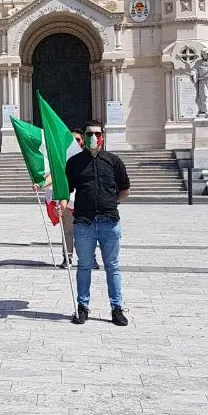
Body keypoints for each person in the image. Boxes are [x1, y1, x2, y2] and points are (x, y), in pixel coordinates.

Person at [64, 119, 130, 327]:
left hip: (109, 221)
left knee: (112, 266)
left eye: (97, 134)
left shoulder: (114, 161)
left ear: (103, 136)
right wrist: (61, 204)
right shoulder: (74, 163)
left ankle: (117, 308)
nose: (94, 138)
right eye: (89, 134)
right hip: (83, 223)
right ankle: (82, 307)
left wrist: (108, 203)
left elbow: (124, 190)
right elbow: (66, 191)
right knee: (83, 266)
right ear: (84, 138)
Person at [57, 131, 83, 269]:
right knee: (67, 230)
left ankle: (91, 258)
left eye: (77, 139)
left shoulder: (88, 159)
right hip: (67, 200)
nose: (74, 142)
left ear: (82, 141)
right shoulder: (61, 159)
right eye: (71, 140)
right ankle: (67, 257)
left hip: (85, 201)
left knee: (88, 231)